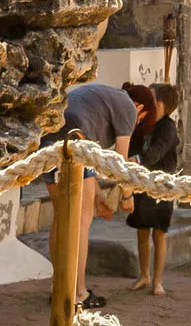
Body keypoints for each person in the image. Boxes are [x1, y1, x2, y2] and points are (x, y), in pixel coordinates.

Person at [47, 82, 138, 310]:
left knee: (61, 217)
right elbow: (121, 162)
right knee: (80, 221)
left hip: (50, 134)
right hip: (76, 137)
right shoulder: (129, 107)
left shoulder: (102, 97)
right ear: (141, 108)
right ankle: (78, 293)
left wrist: (98, 196)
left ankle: (60, 289)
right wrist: (127, 196)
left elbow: (92, 169)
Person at [122, 83, 177, 295]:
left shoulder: (168, 127)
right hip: (142, 184)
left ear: (160, 105)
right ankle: (144, 275)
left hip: (162, 185)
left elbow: (156, 152)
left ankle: (158, 281)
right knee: (142, 230)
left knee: (159, 234)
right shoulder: (143, 123)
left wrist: (137, 159)